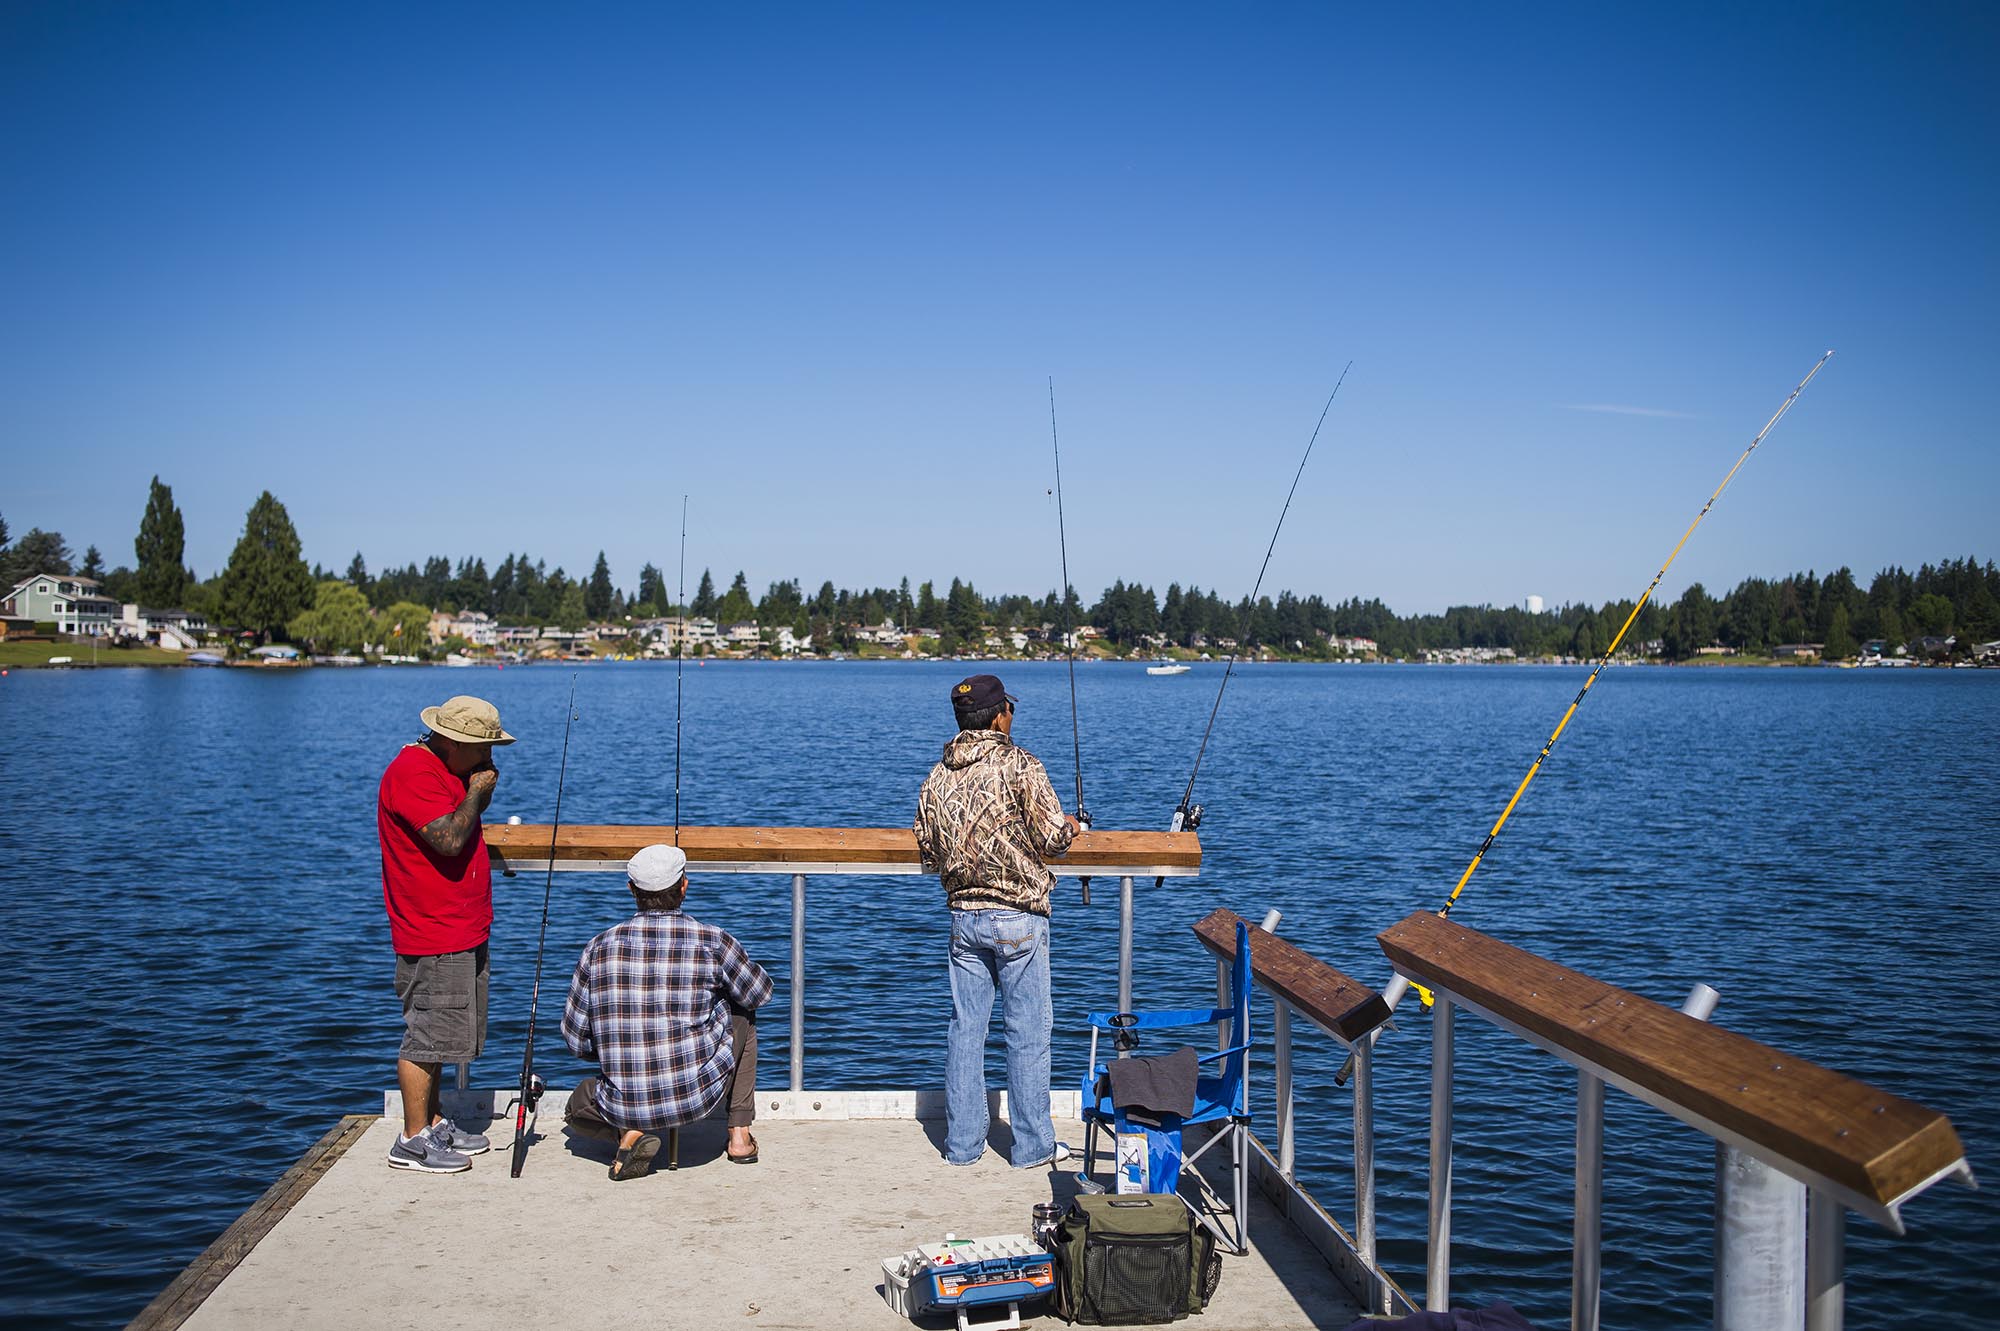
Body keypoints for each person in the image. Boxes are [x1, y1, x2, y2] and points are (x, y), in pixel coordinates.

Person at [914, 673, 1082, 1168]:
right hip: (1019, 917)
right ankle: (1032, 1147)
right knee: (1027, 1032)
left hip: (964, 917)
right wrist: (1072, 826)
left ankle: (963, 1147)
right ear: (999, 715)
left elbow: (928, 848)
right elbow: (1052, 840)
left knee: (966, 1031)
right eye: (1010, 706)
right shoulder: (1021, 765)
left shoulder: (937, 775)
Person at [561, 843, 774, 1180]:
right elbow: (760, 994)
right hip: (696, 1098)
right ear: (684, 885)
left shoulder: (597, 948)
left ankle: (628, 1133)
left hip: (624, 1102)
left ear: (631, 889)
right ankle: (739, 1137)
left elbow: (575, 1041)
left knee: (576, 1107)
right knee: (742, 1011)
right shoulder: (713, 940)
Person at [377, 694, 513, 1173]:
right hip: (433, 931)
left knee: (444, 1035)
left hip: (459, 926)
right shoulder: (414, 774)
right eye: (484, 750)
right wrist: (477, 792)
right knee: (426, 1036)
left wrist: (473, 787)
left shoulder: (441, 771)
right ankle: (411, 1140)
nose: (491, 760)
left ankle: (432, 1120)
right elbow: (450, 839)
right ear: (455, 743)